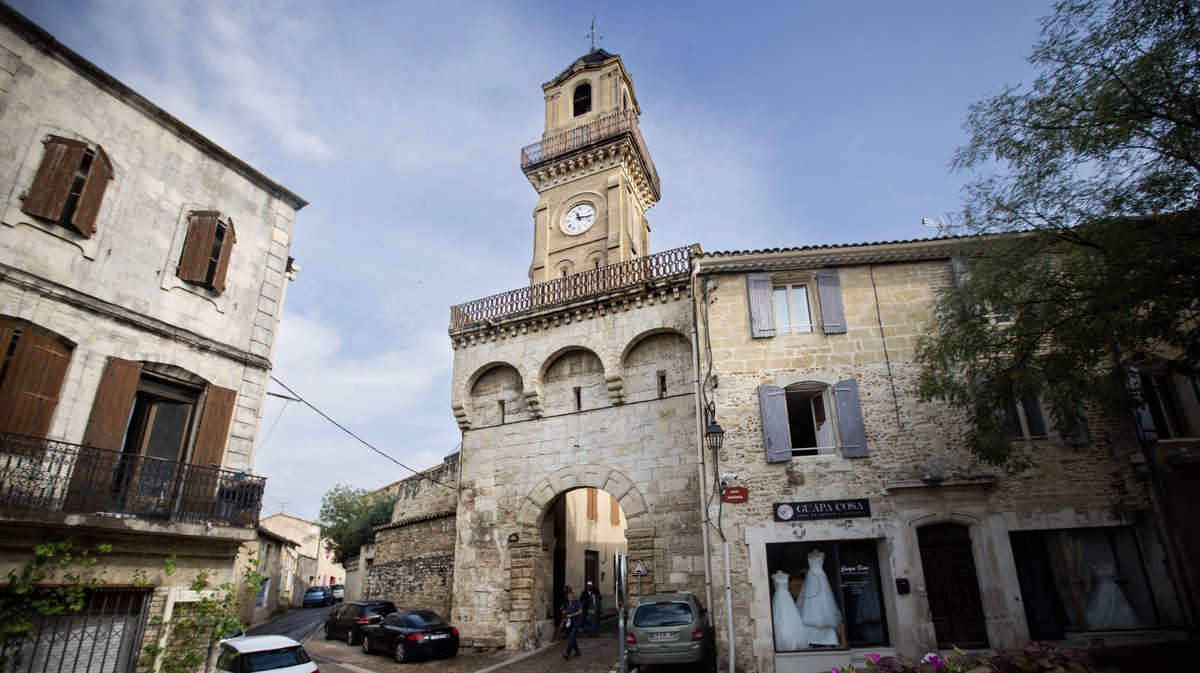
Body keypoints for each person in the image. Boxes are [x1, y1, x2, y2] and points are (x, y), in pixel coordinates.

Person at [561, 589, 583, 658]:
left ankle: (567, 653)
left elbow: (580, 611)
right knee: (572, 639)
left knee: (571, 638)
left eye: (571, 596)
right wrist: (564, 612)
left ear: (573, 596)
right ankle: (577, 651)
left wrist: (572, 615)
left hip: (576, 623)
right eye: (568, 596)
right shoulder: (567, 604)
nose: (569, 597)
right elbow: (567, 611)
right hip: (569, 624)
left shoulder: (576, 602)